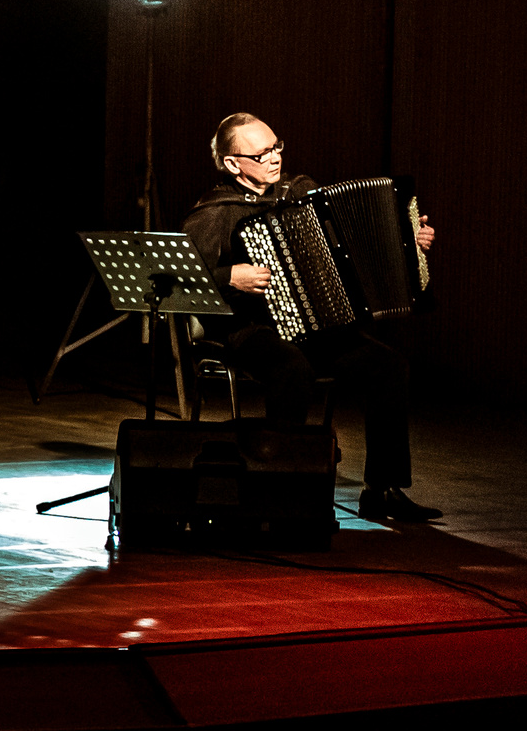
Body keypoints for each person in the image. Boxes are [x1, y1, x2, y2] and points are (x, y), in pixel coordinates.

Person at [181, 111, 442, 523]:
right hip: (248, 329)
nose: (274, 157)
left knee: (389, 366)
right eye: (261, 152)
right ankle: (280, 488)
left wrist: (407, 239)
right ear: (232, 163)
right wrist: (228, 275)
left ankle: (382, 490)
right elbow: (180, 282)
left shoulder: (302, 193)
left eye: (276, 146)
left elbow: (352, 249)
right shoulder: (216, 212)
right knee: (291, 368)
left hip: (313, 326)